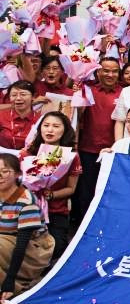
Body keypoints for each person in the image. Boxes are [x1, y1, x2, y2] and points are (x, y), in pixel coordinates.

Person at [21, 112, 79, 262]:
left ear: (65, 130)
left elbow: (71, 189)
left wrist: (51, 195)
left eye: (55, 126)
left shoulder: (71, 156)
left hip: (56, 210)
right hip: (27, 209)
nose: (50, 130)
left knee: (57, 248)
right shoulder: (27, 153)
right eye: (46, 126)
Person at [72, 58, 120, 228]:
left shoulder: (124, 92)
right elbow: (76, 116)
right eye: (106, 70)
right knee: (86, 193)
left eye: (114, 71)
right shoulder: (88, 90)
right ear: (98, 72)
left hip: (113, 152)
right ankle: (83, 229)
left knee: (110, 193)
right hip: (87, 150)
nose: (110, 74)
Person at [0, 153, 54, 301]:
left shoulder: (25, 201)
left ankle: (12, 287)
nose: (0, 176)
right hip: (6, 239)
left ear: (18, 174)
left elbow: (22, 244)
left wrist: (10, 281)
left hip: (33, 247)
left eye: (5, 171)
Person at [0, 81, 39, 150]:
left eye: (23, 94)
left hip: (30, 158)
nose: (18, 98)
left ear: (33, 96)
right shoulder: (1, 115)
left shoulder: (40, 119)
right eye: (14, 95)